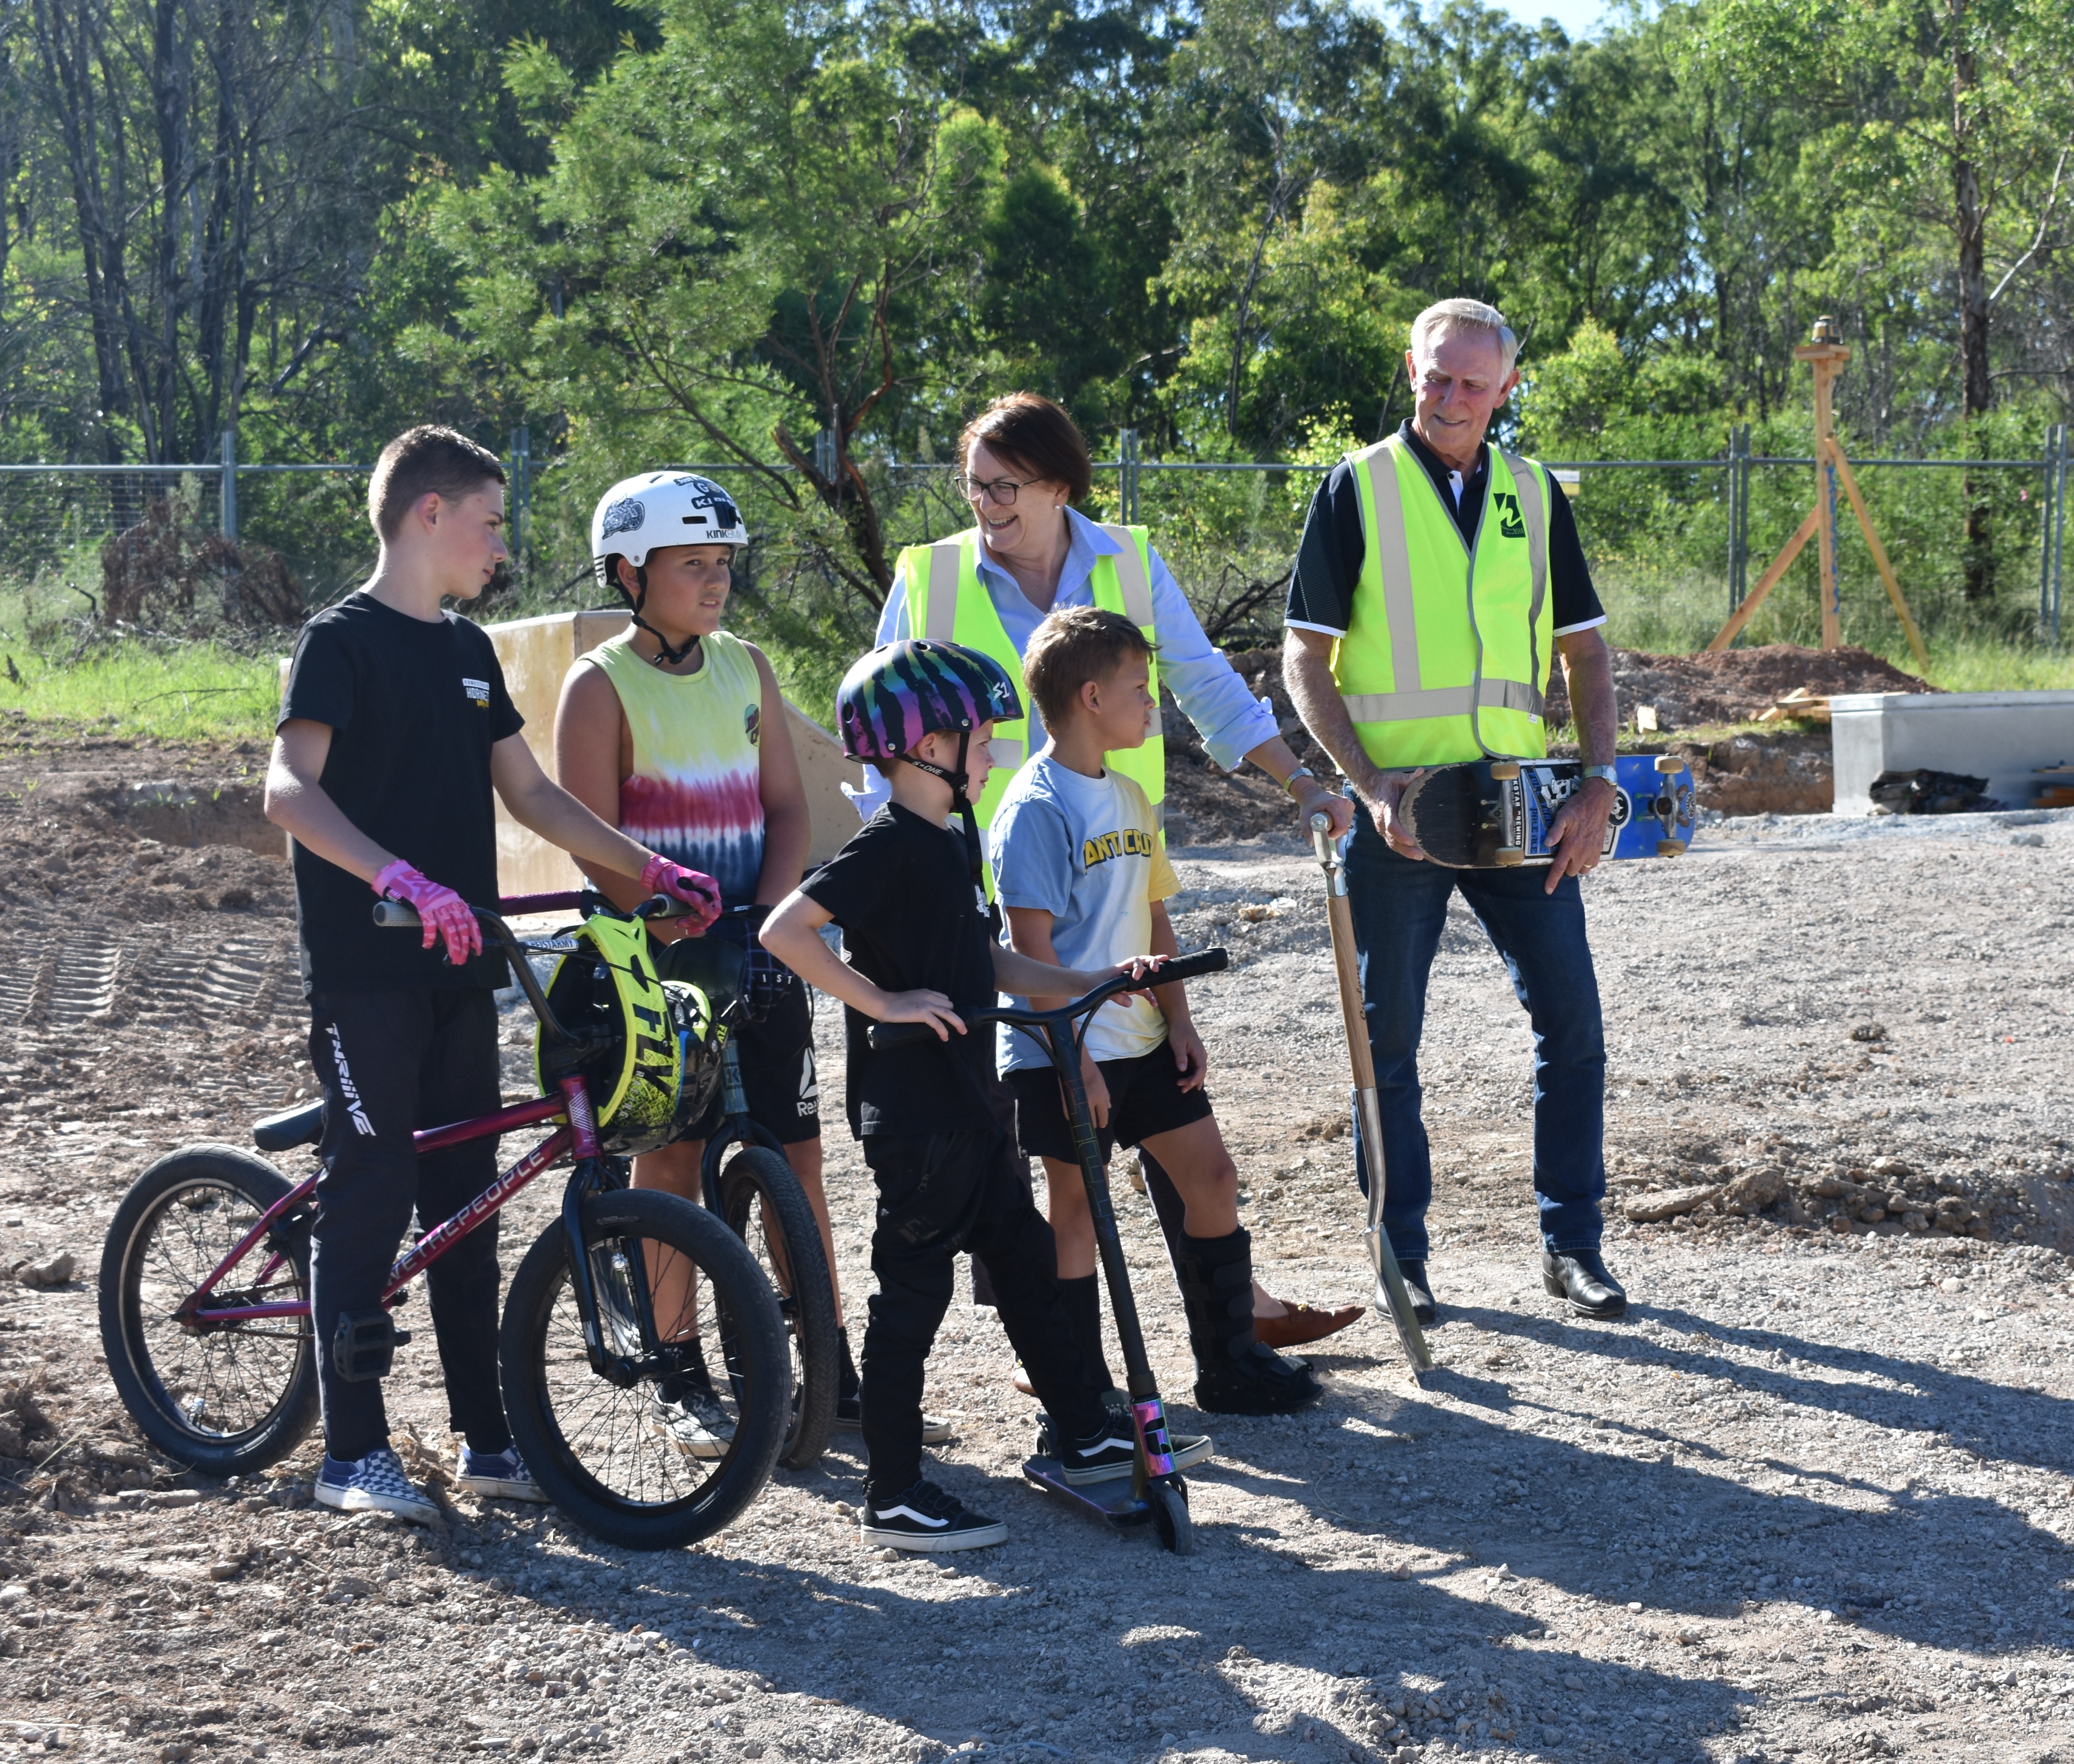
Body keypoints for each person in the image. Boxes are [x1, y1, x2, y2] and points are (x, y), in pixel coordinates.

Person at [265, 426, 723, 1525]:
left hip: (465, 966)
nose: (502, 543)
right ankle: (354, 1452)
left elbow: (534, 797)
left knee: (467, 1204)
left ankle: (484, 1435)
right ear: (430, 513)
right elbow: (288, 789)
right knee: (371, 1189)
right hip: (369, 965)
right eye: (491, 519)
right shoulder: (340, 641)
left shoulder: (471, 653)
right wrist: (401, 878)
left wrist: (647, 865)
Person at [863, 390, 1362, 1354]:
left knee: (1146, 1086)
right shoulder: (928, 577)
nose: (985, 504)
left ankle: (1230, 1313)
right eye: (974, 485)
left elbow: (1206, 681)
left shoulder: (1127, 560)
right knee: (1033, 1122)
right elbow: (881, 724)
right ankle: (1050, 1344)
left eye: (1006, 487)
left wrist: (1298, 778)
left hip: (1124, 872)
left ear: (1060, 486)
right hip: (990, 880)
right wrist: (888, 872)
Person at [759, 638, 1202, 1551]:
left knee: (1033, 1269)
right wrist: (883, 1000)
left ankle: (1082, 1426)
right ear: (924, 744)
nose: (993, 752)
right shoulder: (888, 846)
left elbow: (980, 957)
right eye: (981, 737)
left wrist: (1083, 979)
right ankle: (894, 1493)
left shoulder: (949, 835)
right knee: (910, 1300)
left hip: (970, 1104)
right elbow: (786, 930)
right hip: (919, 1120)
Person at [555, 470, 928, 1454]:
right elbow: (593, 843)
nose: (716, 582)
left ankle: (829, 1363)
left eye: (724, 563)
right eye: (694, 565)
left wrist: (769, 922)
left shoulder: (746, 664)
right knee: (671, 1161)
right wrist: (675, 926)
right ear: (630, 571)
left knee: (797, 1157)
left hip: (755, 948)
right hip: (659, 963)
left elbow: (789, 809)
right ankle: (681, 1369)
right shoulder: (597, 686)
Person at [1281, 297, 1628, 1324]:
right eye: (1437, 376)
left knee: (1573, 1024)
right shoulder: (1357, 488)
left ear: (1507, 388)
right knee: (1386, 1043)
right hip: (1401, 817)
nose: (1452, 397)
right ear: (1411, 368)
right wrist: (1370, 783)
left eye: (1474, 382)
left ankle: (1574, 1247)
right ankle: (1403, 1261)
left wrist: (1598, 782)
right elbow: (1304, 656)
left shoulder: (1533, 492)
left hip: (1522, 809)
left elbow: (1587, 653)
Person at [993, 606, 1322, 1415]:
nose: (1154, 706)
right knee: (1076, 1213)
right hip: (1063, 1051)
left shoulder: (1133, 796)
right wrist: (1077, 1065)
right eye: (1142, 691)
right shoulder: (1034, 808)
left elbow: (1157, 918)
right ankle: (1081, 1395)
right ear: (1093, 697)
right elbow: (1027, 951)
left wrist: (1180, 1020)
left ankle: (1230, 1363)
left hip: (1141, 1040)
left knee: (1212, 1177)